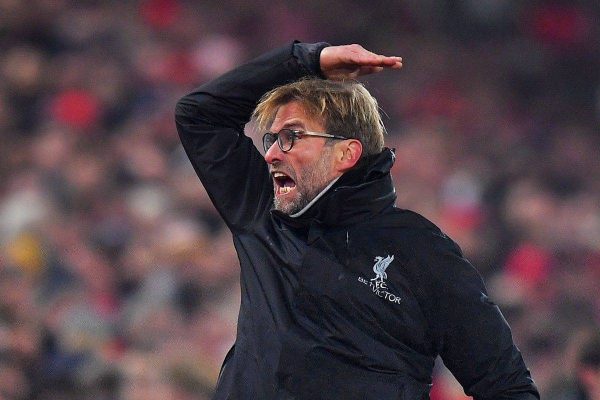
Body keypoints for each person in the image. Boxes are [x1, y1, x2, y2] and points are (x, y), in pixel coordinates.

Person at [175, 41, 539, 400]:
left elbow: (507, 387)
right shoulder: (261, 209)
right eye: (271, 138)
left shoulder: (421, 250)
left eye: (292, 137)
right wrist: (308, 60)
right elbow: (198, 114)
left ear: (346, 152)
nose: (270, 154)